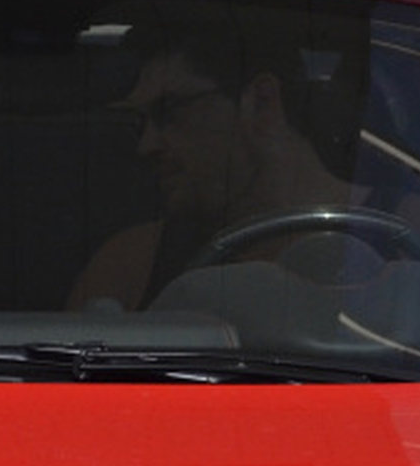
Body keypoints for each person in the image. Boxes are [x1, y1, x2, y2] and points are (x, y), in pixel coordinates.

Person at [66, 17, 362, 312]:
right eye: (141, 123)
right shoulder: (133, 261)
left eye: (169, 112)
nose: (147, 145)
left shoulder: (400, 239)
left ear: (261, 102)